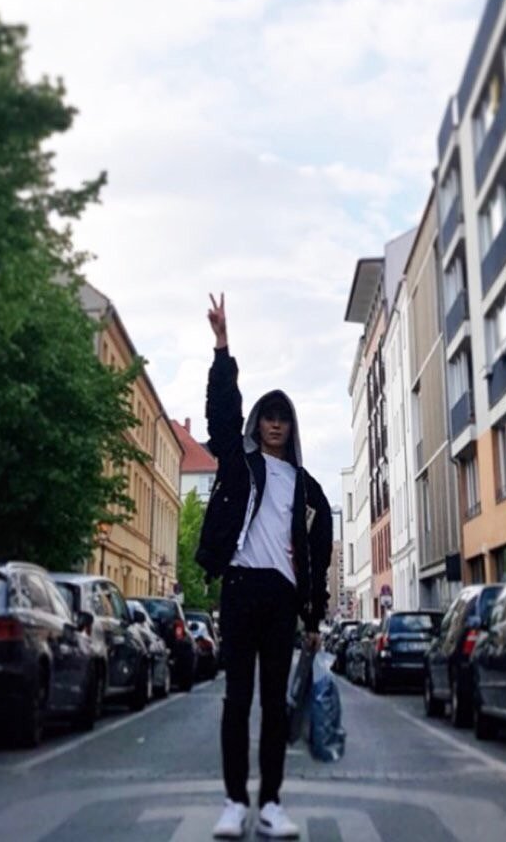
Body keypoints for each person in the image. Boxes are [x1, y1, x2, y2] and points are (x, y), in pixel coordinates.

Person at [196, 293, 333, 840]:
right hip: (238, 589)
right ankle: (234, 802)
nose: (275, 425)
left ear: (292, 427)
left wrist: (314, 618)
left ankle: (271, 802)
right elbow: (221, 413)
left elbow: (318, 556)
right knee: (237, 700)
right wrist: (222, 347)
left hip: (281, 598)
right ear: (258, 422)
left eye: (283, 419)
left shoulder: (306, 488)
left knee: (275, 704)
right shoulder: (239, 463)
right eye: (268, 417)